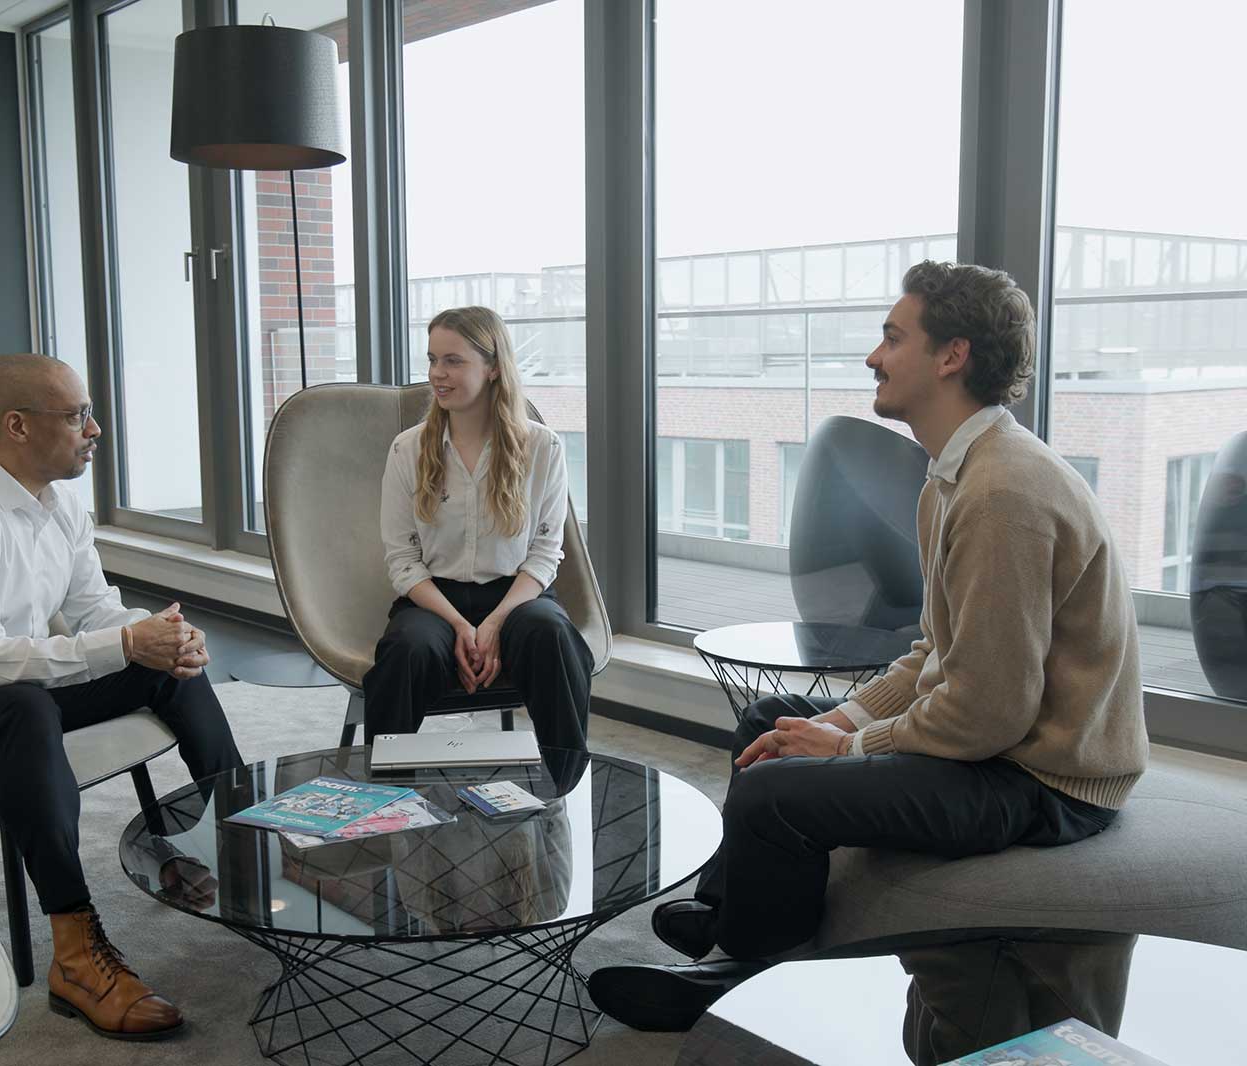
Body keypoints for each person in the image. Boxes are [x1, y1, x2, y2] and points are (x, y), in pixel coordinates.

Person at [589, 261, 1149, 1031]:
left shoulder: (1003, 493)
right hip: (1003, 749)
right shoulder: (954, 476)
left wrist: (848, 749)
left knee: (776, 792)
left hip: (1046, 782)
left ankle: (741, 980)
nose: (872, 357)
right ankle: (732, 920)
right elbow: (933, 651)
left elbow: (986, 712)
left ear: (952, 355)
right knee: (772, 722)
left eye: (892, 337)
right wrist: (841, 723)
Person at [0, 353, 243, 1041]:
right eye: (76, 416)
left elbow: (95, 612)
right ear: (17, 426)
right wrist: (124, 646)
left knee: (164, 666)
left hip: (9, 696)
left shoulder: (60, 502)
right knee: (25, 704)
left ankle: (251, 841)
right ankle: (75, 953)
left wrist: (162, 636)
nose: (94, 429)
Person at [362, 306, 593, 753]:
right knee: (408, 650)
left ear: (492, 368)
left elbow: (546, 552)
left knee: (554, 637)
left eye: (453, 360)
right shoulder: (406, 449)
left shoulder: (542, 447)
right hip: (434, 600)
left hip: (519, 598)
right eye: (432, 359)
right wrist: (459, 625)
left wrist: (496, 621)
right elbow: (403, 560)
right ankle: (385, 797)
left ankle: (562, 788)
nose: (437, 374)